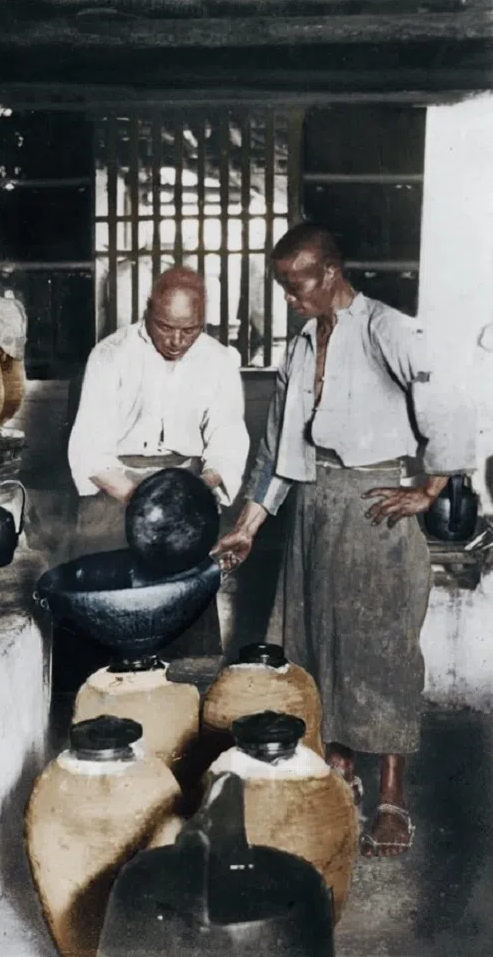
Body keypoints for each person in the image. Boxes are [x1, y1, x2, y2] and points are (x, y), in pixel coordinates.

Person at [212, 222, 475, 858]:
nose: (289, 298)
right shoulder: (302, 344)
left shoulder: (391, 329)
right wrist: (246, 528)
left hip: (375, 510)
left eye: (295, 284)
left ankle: (392, 795)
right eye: (281, 287)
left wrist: (431, 488)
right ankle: (338, 770)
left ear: (329, 272)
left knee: (380, 655)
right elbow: (277, 452)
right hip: (313, 512)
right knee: (314, 647)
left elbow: (453, 409)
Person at [62, 266, 250, 684]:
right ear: (148, 311)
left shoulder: (219, 359)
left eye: (191, 330)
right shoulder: (110, 354)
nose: (178, 341)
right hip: (113, 493)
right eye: (166, 328)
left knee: (179, 642)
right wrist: (143, 498)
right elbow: (88, 447)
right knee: (106, 637)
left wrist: (202, 487)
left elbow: (228, 435)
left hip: (184, 497)